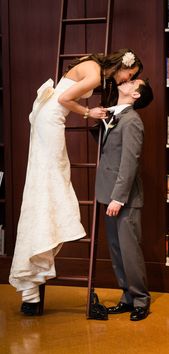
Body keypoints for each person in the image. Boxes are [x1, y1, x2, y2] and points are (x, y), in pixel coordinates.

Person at [9, 48, 143, 316]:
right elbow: (66, 98)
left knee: (46, 181)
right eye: (131, 73)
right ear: (121, 67)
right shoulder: (95, 75)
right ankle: (35, 266)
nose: (128, 79)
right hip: (51, 119)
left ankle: (32, 279)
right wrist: (87, 113)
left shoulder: (94, 68)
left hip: (46, 117)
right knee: (50, 180)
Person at [95, 78, 154, 321]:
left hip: (124, 199)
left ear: (136, 95)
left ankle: (141, 300)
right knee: (117, 251)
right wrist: (99, 121)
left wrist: (118, 198)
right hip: (108, 193)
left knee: (130, 251)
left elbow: (130, 162)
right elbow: (110, 151)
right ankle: (127, 298)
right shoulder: (115, 115)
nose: (127, 81)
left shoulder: (132, 121)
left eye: (133, 82)